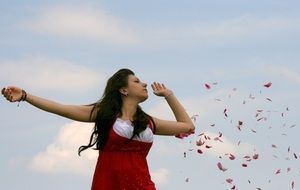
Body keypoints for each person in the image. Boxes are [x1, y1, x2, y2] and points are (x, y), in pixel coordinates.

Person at [1, 68, 195, 190]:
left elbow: (187, 126)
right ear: (123, 90)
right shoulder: (104, 115)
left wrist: (169, 95)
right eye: (136, 81)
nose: (144, 83)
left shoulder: (149, 122)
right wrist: (26, 96)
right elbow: (62, 109)